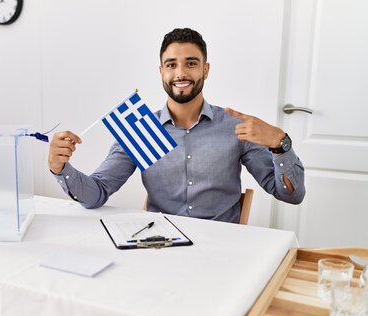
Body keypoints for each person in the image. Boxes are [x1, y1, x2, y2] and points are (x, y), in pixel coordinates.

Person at [48, 28, 305, 223]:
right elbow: (97, 194)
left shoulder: (237, 128)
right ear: (161, 71)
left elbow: (290, 196)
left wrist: (280, 144)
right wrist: (61, 168)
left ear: (205, 70)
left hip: (221, 251)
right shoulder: (141, 129)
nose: (181, 73)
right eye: (172, 65)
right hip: (159, 245)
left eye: (191, 63)